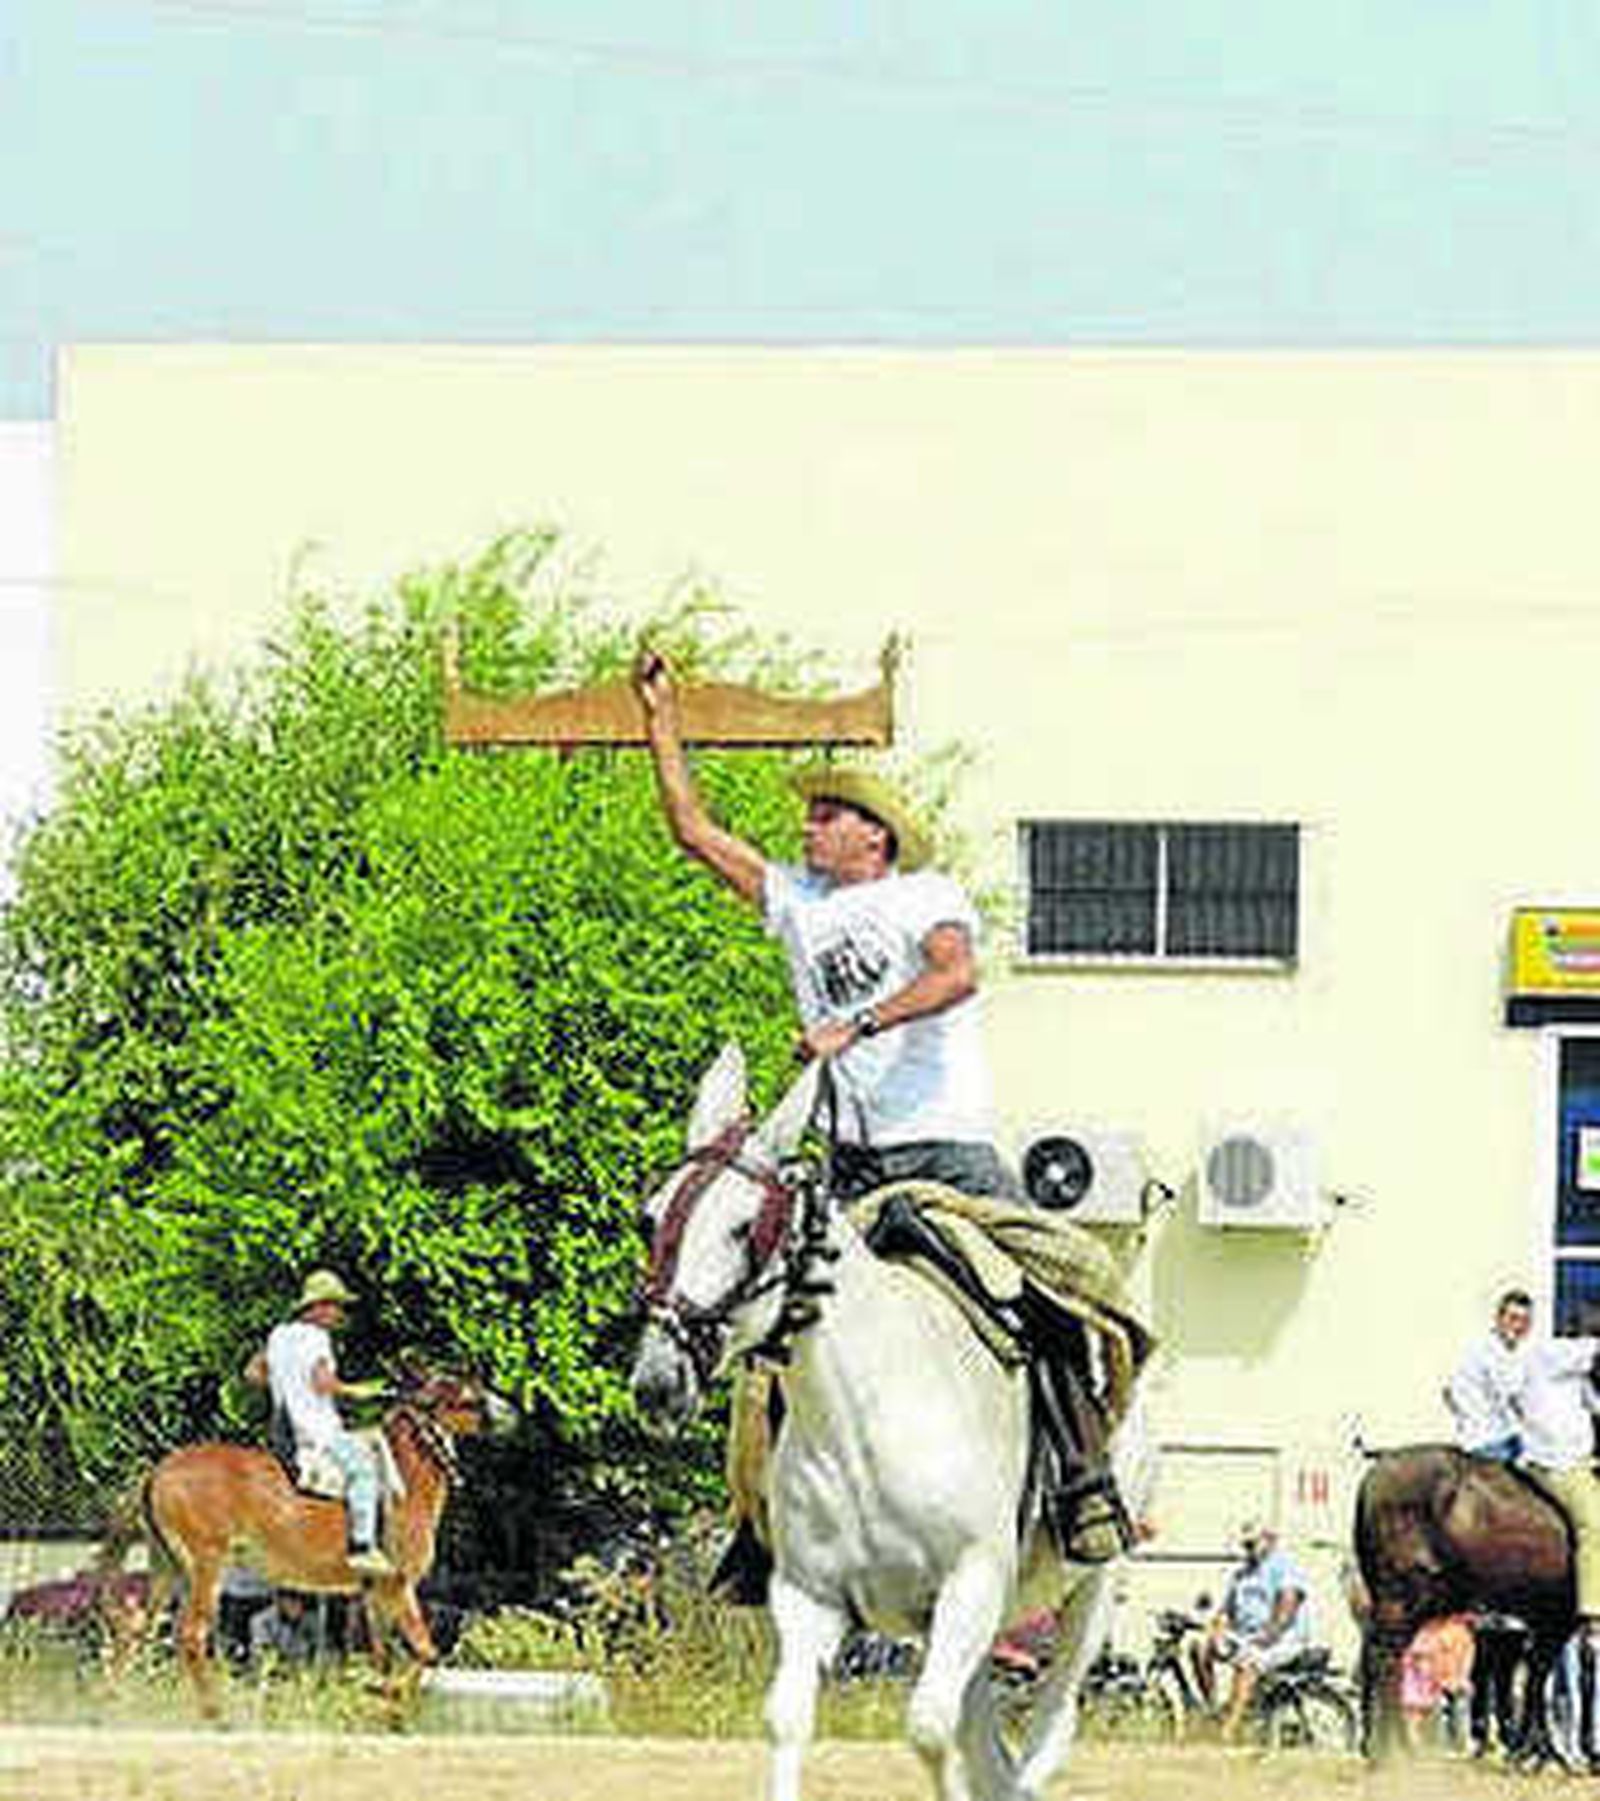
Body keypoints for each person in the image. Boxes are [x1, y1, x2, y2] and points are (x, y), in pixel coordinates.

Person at [632, 648, 1018, 1202]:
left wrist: (856, 1026)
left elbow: (955, 975)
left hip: (942, 1144)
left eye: (826, 817)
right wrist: (659, 717)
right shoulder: (797, 900)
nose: (806, 828)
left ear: (875, 835)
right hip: (851, 1157)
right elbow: (692, 830)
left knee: (1050, 1275)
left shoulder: (924, 893)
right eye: (809, 817)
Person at [244, 1268, 394, 1578]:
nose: (338, 1313)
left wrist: (284, 1383)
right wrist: (358, 1391)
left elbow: (252, 1373)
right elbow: (322, 1383)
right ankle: (362, 1547)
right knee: (364, 1468)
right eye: (335, 1305)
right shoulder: (318, 1337)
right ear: (318, 1307)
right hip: (319, 1432)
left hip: (282, 1430)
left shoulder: (278, 1335)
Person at [1515, 1317, 1600, 1642]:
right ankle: (1594, 1613)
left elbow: (1594, 1403)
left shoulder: (1572, 1374)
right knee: (1594, 1524)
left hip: (1571, 1459)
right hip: (1558, 1463)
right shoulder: (1551, 1353)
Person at [1199, 1520, 1312, 1742]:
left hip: (1284, 1638)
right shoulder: (1241, 1574)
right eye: (1245, 1546)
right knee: (1201, 1650)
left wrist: (1268, 1636)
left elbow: (1288, 1606)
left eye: (1252, 1544)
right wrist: (1216, 1627)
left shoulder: (1284, 1567)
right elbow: (1225, 1610)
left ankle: (1229, 1730)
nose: (1248, 1550)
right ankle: (1213, 1709)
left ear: (1269, 1541)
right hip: (1247, 1636)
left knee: (1247, 1661)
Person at [1443, 1289, 1533, 1461]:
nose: (1519, 1326)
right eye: (1513, 1318)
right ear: (1499, 1319)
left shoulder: (1514, 1352)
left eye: (1525, 1320)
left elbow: (1448, 1393)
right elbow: (1515, 1398)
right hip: (1490, 1442)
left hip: (1503, 1436)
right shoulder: (1485, 1351)